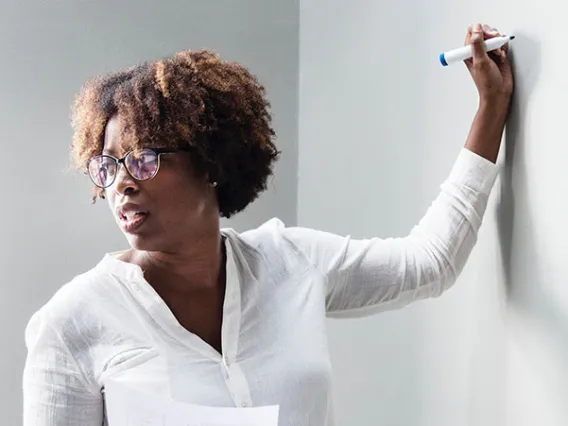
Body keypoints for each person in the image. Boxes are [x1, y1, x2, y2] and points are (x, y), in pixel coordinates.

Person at [23, 22, 513, 426]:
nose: (121, 184)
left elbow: (430, 263)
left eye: (145, 159)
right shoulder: (73, 322)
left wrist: (491, 110)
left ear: (210, 162)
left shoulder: (291, 262)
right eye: (107, 167)